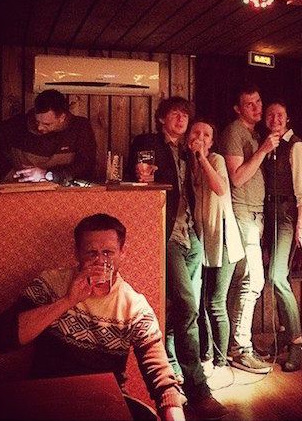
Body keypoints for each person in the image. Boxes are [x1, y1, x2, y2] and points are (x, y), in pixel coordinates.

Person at [0, 213, 185, 421]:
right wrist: (67, 300)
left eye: (108, 252)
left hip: (104, 402)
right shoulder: (51, 284)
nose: (100, 261)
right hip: (48, 397)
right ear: (77, 253)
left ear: (122, 253)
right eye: (91, 253)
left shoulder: (134, 307)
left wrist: (174, 411)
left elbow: (162, 379)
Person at [127, 97, 228, 420]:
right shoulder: (148, 143)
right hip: (166, 235)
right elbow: (137, 178)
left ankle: (174, 374)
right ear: (161, 119)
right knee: (187, 305)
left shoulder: (190, 152)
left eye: (185, 115)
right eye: (175, 114)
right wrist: (142, 175)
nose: (182, 119)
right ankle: (198, 390)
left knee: (184, 309)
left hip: (192, 237)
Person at [220, 82, 280, 374]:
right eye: (250, 104)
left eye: (258, 102)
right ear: (237, 108)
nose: (257, 108)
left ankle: (238, 345)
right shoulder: (234, 132)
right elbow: (238, 178)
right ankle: (240, 348)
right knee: (253, 281)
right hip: (242, 212)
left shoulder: (254, 134)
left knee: (245, 281)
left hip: (255, 214)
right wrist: (264, 150)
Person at [186, 118, 244, 390]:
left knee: (216, 303)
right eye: (195, 133)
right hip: (201, 241)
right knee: (199, 304)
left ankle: (221, 364)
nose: (200, 137)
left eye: (206, 135)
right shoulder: (186, 165)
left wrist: (203, 158)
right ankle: (206, 357)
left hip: (223, 239)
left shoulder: (216, 160)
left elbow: (220, 188)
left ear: (212, 141)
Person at [262, 99, 302, 372]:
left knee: (276, 277)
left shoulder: (296, 147)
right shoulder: (269, 145)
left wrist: (300, 226)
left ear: (288, 118)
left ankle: (297, 342)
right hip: (270, 213)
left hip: (286, 216)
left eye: (280, 114)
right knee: (279, 277)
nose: (275, 119)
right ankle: (284, 332)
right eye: (270, 115)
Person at [0, 89, 96, 184]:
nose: (39, 127)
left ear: (62, 117)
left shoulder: (80, 127)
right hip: (22, 192)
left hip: (64, 193)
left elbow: (85, 164)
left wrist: (47, 175)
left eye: (47, 124)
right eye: (37, 121)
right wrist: (7, 171)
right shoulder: (19, 125)